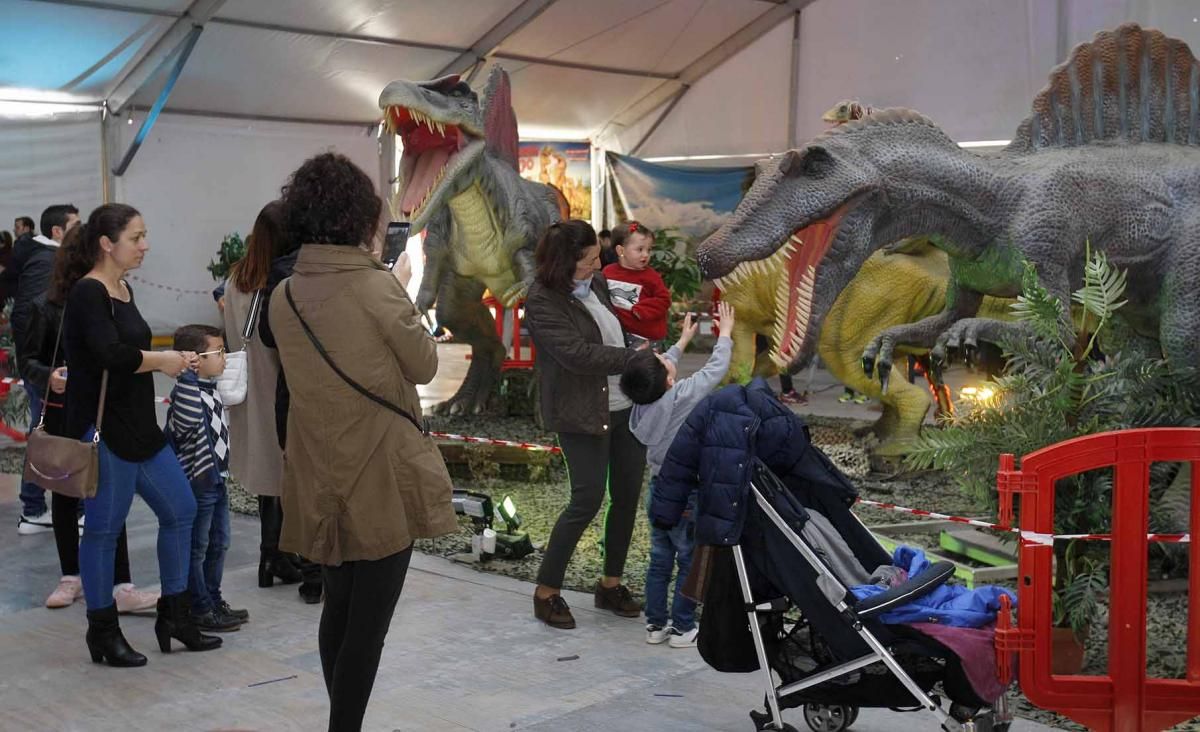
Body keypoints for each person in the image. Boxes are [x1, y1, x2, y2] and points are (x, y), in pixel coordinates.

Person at [265, 152, 458, 732]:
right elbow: (423, 366)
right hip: (378, 471)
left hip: (317, 469)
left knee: (340, 609)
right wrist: (400, 288)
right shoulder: (376, 289)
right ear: (360, 218)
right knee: (368, 627)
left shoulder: (284, 295)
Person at [63, 203, 221, 667]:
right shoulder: (88, 293)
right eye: (136, 237)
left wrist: (168, 361)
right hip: (106, 429)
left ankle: (173, 612)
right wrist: (164, 360)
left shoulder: (123, 288)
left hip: (139, 427)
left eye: (145, 235)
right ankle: (102, 632)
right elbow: (111, 354)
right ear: (107, 244)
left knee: (182, 509)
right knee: (104, 532)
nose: (145, 245)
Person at [524, 219, 646, 629]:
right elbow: (577, 354)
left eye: (599, 257)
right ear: (564, 262)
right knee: (587, 499)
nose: (598, 265)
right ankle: (547, 591)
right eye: (590, 260)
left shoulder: (596, 285)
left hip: (623, 406)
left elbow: (612, 334)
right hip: (580, 413)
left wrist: (638, 349)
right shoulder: (542, 300)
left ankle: (610, 584)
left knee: (627, 496)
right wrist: (633, 359)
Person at [24, 242, 156, 613]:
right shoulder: (47, 307)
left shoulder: (118, 298)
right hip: (68, 413)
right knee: (67, 493)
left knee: (110, 496)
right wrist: (49, 376)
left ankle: (121, 583)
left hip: (110, 411)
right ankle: (72, 576)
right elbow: (29, 360)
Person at [624, 302, 736, 648]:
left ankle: (655, 626)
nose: (665, 357)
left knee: (659, 560)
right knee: (688, 560)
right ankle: (683, 627)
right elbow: (713, 372)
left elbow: (654, 371)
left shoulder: (641, 404)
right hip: (687, 493)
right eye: (663, 361)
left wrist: (683, 340)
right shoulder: (680, 398)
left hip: (658, 490)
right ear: (670, 380)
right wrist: (726, 335)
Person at [221, 201, 303, 590]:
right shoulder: (280, 283)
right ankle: (278, 555)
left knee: (268, 477)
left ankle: (270, 556)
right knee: (285, 474)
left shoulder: (237, 277)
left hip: (246, 388)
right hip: (276, 386)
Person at [256, 212, 322, 604]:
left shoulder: (275, 274)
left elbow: (267, 333)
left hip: (290, 391)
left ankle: (307, 571)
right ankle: (323, 571)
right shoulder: (327, 273)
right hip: (329, 392)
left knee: (300, 484)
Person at [167, 324, 248, 633]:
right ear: (195, 359)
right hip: (199, 484)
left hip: (216, 481)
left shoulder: (211, 389)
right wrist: (185, 372)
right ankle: (199, 607)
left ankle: (213, 599)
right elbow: (185, 426)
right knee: (198, 547)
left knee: (219, 543)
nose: (225, 358)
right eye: (219, 352)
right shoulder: (186, 394)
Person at [12, 204, 79, 535]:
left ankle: (38, 506)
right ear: (57, 231)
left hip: (46, 365)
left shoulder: (39, 257)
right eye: (75, 226)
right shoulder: (46, 261)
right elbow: (35, 316)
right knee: (47, 433)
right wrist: (41, 368)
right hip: (50, 368)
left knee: (47, 432)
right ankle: (35, 507)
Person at [602, 221, 671, 346]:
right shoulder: (608, 272)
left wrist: (642, 310)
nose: (645, 254)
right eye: (640, 249)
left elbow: (664, 299)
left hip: (644, 337)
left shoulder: (651, 276)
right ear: (620, 250)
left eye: (648, 250)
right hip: (618, 333)